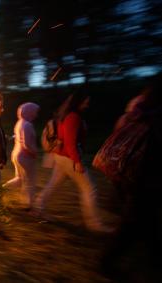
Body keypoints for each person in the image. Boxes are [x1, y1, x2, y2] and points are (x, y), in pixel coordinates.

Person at [101, 74, 162, 281]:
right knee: (135, 220)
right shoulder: (153, 116)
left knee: (147, 219)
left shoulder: (138, 112)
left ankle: (154, 258)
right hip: (145, 176)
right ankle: (106, 263)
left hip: (135, 174)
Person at [33, 90, 108, 232]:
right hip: (68, 158)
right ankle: (95, 224)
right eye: (86, 101)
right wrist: (77, 161)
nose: (87, 104)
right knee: (89, 188)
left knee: (53, 184)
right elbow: (70, 143)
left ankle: (38, 207)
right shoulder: (73, 117)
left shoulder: (65, 114)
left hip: (61, 156)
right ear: (78, 102)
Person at [4, 102, 40, 209]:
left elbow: (18, 138)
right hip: (25, 157)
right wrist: (34, 152)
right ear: (28, 112)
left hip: (16, 154)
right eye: (34, 112)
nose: (35, 115)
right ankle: (27, 204)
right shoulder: (27, 125)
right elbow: (26, 144)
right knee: (29, 180)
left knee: (19, 179)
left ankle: (1, 190)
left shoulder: (19, 123)